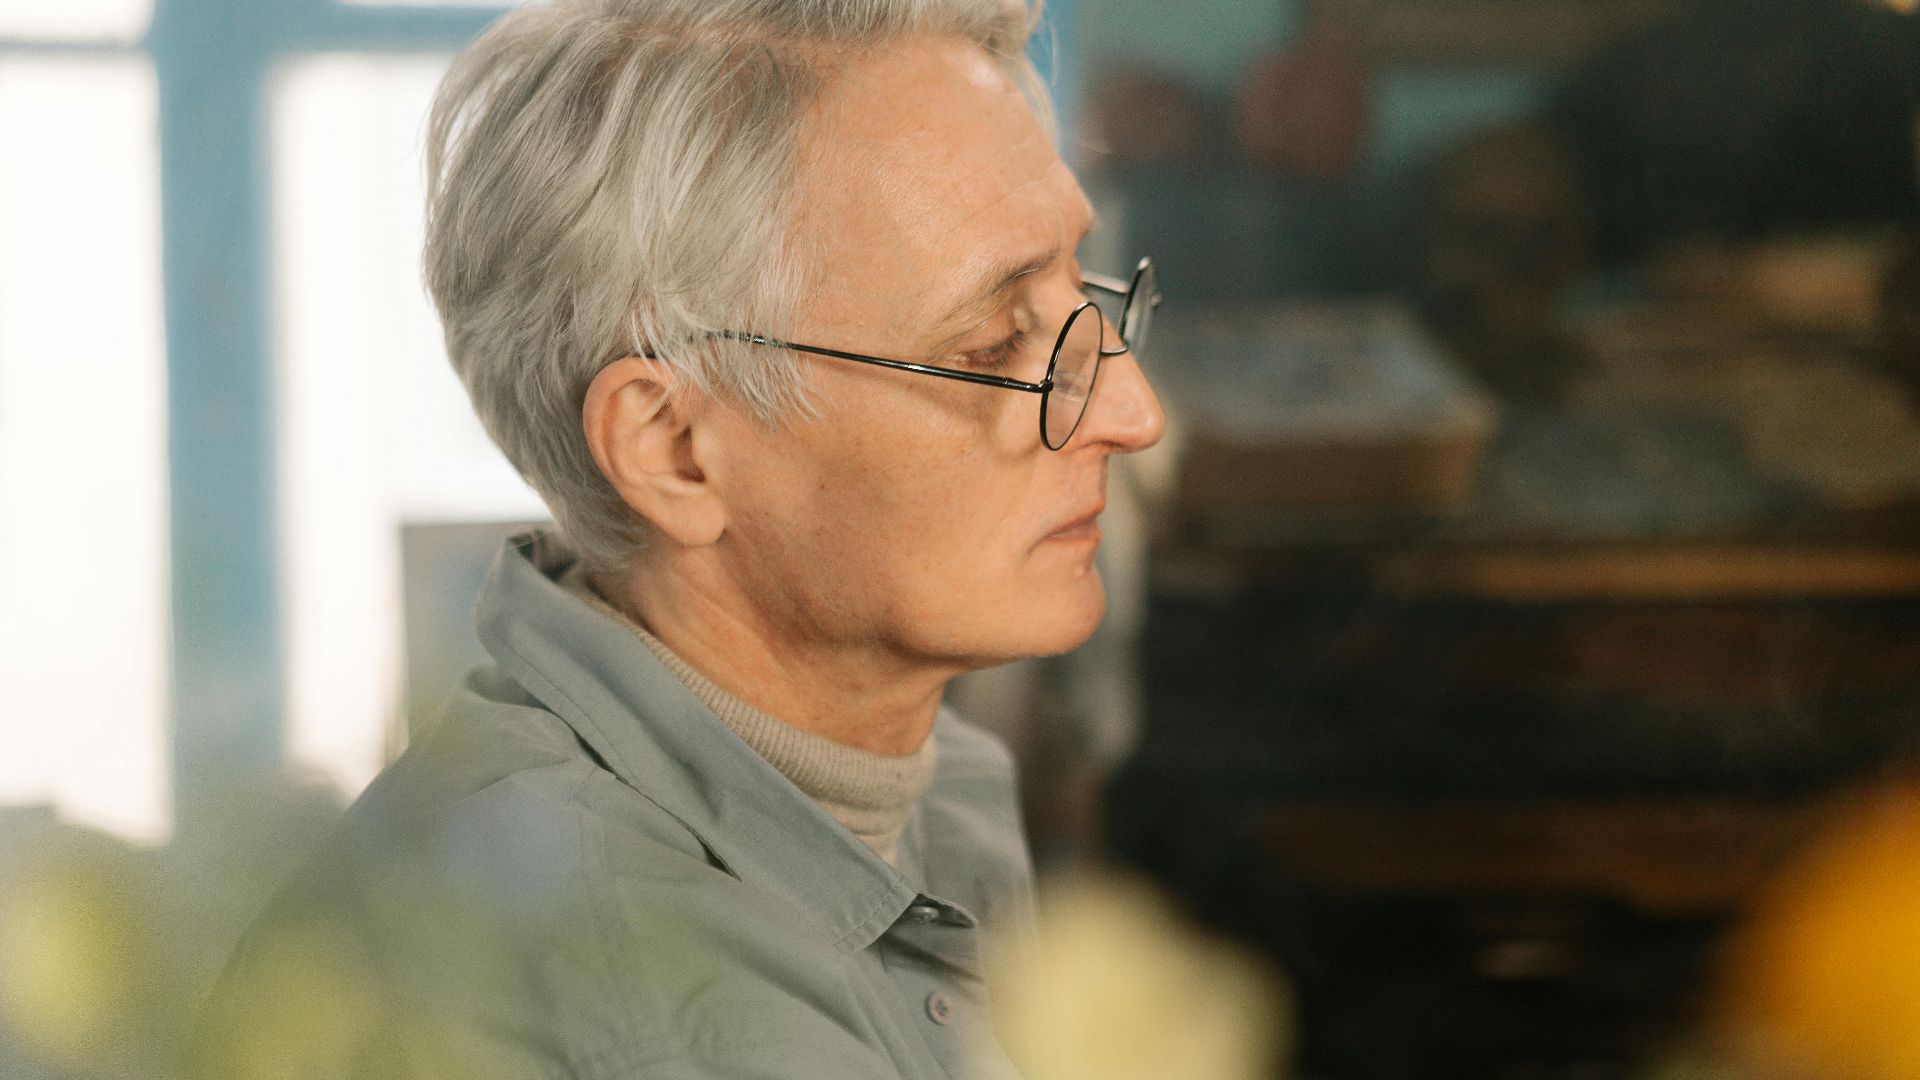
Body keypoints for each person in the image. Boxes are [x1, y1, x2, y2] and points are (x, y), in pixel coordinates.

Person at [188, 0, 1166, 1077]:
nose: (1131, 412)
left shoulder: (920, 785)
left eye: (1084, 291)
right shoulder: (582, 1005)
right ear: (673, 450)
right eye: (991, 345)